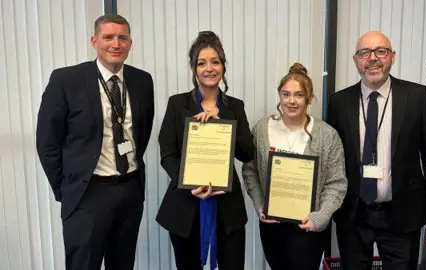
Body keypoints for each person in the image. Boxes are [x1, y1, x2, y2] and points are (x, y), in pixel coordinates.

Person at [36, 14, 154, 270]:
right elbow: (47, 142)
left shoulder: (142, 81)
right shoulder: (66, 80)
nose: (116, 44)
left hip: (129, 190)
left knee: (122, 264)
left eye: (122, 38)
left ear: (130, 43)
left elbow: (141, 135)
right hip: (87, 194)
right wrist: (66, 189)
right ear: (94, 41)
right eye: (108, 37)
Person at [327, 30, 426, 270]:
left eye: (380, 51)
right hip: (353, 214)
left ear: (392, 56)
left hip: (402, 213)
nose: (372, 58)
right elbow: (332, 159)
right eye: (365, 53)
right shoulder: (339, 102)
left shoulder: (417, 97)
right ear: (356, 60)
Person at [155, 31, 254, 270]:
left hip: (227, 208)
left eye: (215, 61)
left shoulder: (235, 107)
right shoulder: (177, 104)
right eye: (201, 63)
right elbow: (167, 154)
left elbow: (247, 153)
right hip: (186, 206)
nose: (209, 68)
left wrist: (223, 122)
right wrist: (190, 184)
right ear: (193, 69)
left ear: (223, 66)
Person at [242, 63, 348, 270]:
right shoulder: (262, 130)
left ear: (310, 98)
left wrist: (321, 216)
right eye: (286, 94)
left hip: (308, 227)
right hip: (272, 225)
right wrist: (259, 203)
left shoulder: (327, 135)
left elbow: (336, 183)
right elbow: (250, 170)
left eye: (299, 95)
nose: (291, 101)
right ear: (279, 96)